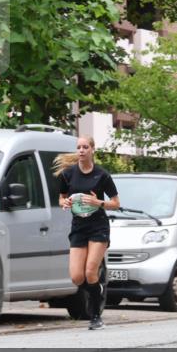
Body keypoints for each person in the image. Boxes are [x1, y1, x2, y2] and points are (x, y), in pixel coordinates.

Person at [54, 135, 120, 330]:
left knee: (91, 271)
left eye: (85, 147)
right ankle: (96, 289)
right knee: (77, 277)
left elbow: (116, 203)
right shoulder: (68, 174)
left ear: (92, 150)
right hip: (79, 227)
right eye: (78, 147)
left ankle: (95, 316)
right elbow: (61, 198)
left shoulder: (102, 175)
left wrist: (98, 202)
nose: (81, 150)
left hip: (98, 226)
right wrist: (64, 203)